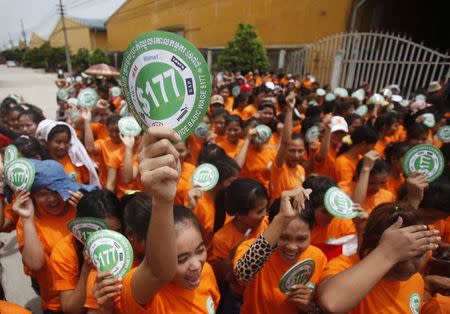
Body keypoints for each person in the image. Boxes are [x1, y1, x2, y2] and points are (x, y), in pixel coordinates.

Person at [94, 127, 220, 313]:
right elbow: (158, 271)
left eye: (200, 250)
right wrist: (162, 200)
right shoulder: (142, 291)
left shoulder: (207, 272)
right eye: (181, 259)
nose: (196, 265)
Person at [317, 203, 440, 313]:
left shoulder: (416, 279)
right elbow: (331, 302)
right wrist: (387, 253)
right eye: (398, 257)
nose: (407, 266)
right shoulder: (344, 267)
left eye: (417, 254)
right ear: (370, 249)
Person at [14, 159, 94, 312]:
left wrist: (86, 210)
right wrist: (27, 218)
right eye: (43, 194)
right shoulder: (29, 218)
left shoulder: (76, 207)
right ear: (32, 197)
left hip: (90, 296)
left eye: (57, 191)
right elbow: (35, 264)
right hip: (54, 303)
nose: (52, 199)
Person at [233, 187, 327, 313]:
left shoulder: (317, 257)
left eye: (301, 239)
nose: (292, 247)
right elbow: (243, 274)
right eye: (283, 237)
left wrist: (309, 306)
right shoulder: (251, 248)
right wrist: (283, 217)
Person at [50, 189, 121, 313]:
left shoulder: (128, 241)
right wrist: (86, 270)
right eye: (100, 236)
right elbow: (70, 309)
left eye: (116, 232)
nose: (109, 241)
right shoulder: (64, 252)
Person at [209, 179, 269, 313]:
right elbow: (227, 277)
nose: (265, 214)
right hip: (239, 298)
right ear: (240, 215)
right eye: (259, 212)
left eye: (265, 208)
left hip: (265, 292)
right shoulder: (222, 239)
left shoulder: (267, 224)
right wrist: (237, 256)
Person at [84, 114, 139, 194]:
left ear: (123, 129)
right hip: (108, 190)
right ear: (106, 130)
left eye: (117, 130)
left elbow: (128, 179)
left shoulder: (131, 146)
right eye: (111, 131)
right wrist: (86, 121)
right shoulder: (103, 144)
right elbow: (90, 148)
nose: (114, 134)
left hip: (127, 193)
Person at [270, 92, 306, 202]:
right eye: (292, 151)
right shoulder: (279, 167)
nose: (296, 155)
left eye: (300, 151)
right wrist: (290, 109)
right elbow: (285, 142)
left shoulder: (301, 170)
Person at [235, 125, 277, 191]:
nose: (255, 141)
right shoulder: (244, 151)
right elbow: (236, 166)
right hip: (246, 190)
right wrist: (247, 139)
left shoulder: (272, 153)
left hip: (264, 191)